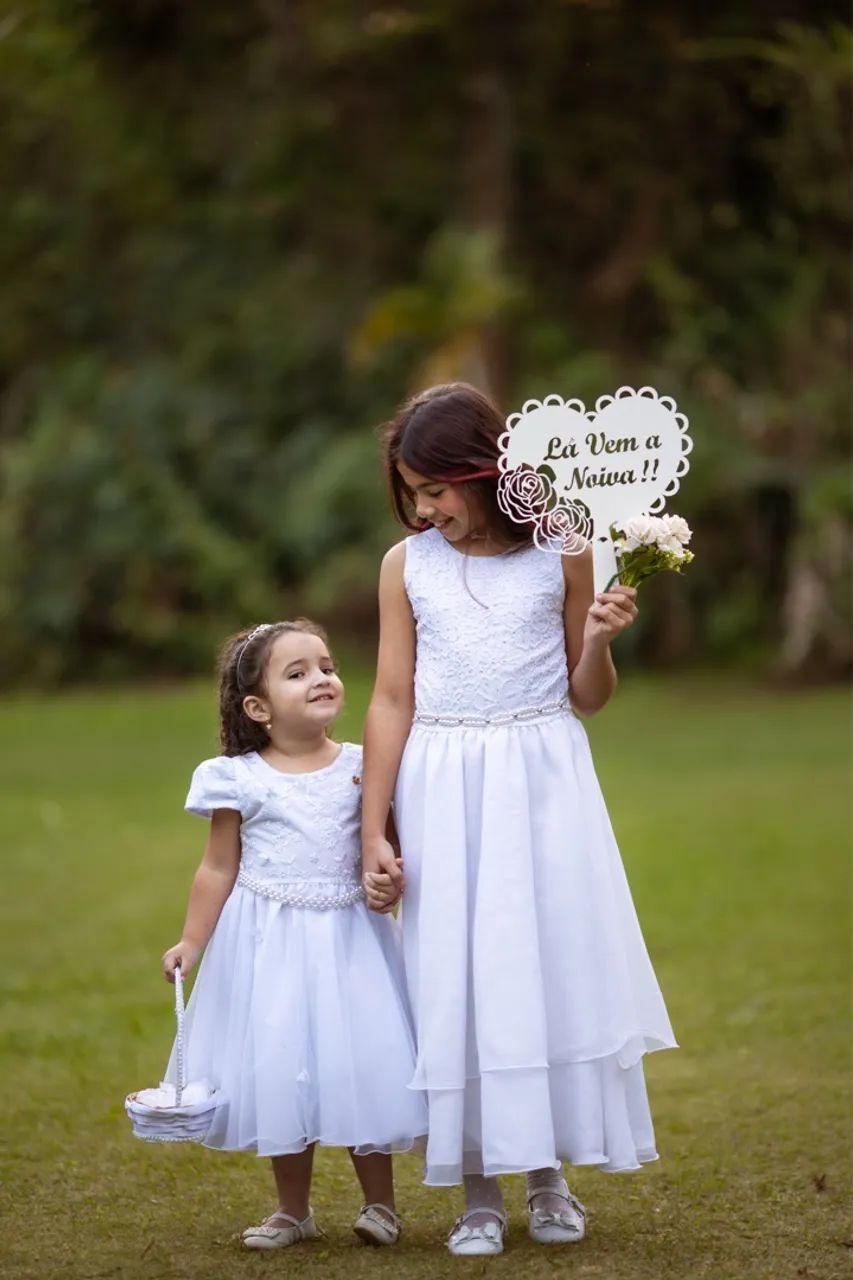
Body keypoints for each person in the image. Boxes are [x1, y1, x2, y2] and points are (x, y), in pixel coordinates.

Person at [361, 383, 677, 1256]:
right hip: (443, 784)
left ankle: (546, 1179)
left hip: (541, 783)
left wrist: (600, 642)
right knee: (456, 974)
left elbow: (587, 698)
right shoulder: (407, 565)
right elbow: (391, 697)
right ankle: (476, 1193)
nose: (425, 509)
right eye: (412, 493)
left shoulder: (562, 549)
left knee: (542, 967)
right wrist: (373, 827)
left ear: (484, 471)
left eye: (436, 489)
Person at [161, 619, 425, 1250]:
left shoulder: (366, 768)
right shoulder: (239, 778)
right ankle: (293, 1209)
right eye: (298, 673)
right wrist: (191, 943)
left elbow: (390, 845)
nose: (321, 679)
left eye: (327, 667)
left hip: (352, 944)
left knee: (364, 1062)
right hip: (271, 949)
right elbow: (217, 866)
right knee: (283, 1069)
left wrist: (391, 878)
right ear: (258, 707)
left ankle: (381, 1205)